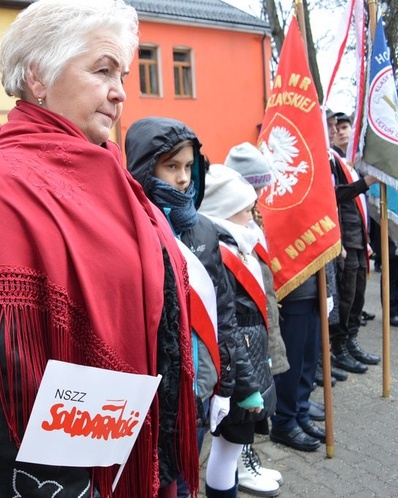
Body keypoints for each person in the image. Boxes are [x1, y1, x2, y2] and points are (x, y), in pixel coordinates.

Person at [0, 1, 198, 497]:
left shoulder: (109, 172)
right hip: (67, 478)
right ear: (38, 77)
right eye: (102, 70)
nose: (120, 91)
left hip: (144, 447)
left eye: (123, 73)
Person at [125, 118, 256, 496]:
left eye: (188, 166)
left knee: (185, 480)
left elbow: (223, 317)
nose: (183, 178)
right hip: (154, 395)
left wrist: (226, 384)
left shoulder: (201, 228)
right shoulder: (132, 229)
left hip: (199, 388)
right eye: (171, 166)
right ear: (144, 167)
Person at [198, 165, 276, 498]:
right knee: (227, 448)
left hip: (249, 360)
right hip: (239, 366)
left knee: (231, 447)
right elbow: (227, 326)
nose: (252, 217)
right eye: (246, 210)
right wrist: (248, 385)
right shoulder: (223, 253)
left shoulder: (238, 243)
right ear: (227, 211)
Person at [224, 143, 287, 495]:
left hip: (259, 322)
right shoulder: (233, 220)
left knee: (258, 399)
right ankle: (240, 462)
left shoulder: (251, 218)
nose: (261, 195)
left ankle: (248, 458)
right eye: (256, 188)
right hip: (243, 332)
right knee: (243, 410)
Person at [327, 111, 380, 373]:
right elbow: (334, 196)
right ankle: (339, 348)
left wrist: (367, 239)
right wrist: (365, 182)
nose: (340, 132)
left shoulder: (351, 162)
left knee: (358, 295)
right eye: (336, 128)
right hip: (345, 238)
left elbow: (361, 207)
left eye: (345, 127)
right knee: (345, 297)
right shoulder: (332, 160)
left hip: (359, 238)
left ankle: (352, 342)